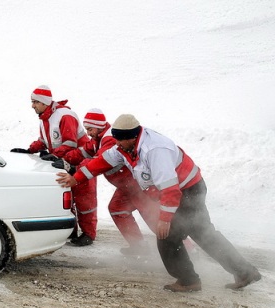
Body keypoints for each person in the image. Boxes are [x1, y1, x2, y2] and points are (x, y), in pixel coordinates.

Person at [57, 114, 262, 292]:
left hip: (186, 190)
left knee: (167, 236)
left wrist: (165, 219)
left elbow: (171, 190)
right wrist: (77, 178)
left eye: (120, 142)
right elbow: (102, 161)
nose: (117, 146)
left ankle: (188, 281)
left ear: (131, 137)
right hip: (185, 188)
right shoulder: (125, 145)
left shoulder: (154, 150)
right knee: (204, 234)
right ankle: (244, 272)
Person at [11, 85, 97, 246]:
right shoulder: (45, 118)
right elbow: (44, 141)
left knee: (85, 200)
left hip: (81, 161)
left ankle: (89, 234)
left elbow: (70, 143)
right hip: (62, 162)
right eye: (32, 101)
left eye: (35, 102)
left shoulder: (65, 115)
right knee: (66, 197)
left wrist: (55, 154)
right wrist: (30, 149)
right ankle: (71, 230)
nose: (32, 105)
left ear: (45, 102)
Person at [78, 109, 166, 256]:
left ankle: (186, 249)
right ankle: (139, 247)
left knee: (154, 217)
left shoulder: (109, 139)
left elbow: (99, 161)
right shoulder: (97, 140)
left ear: (99, 126)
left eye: (90, 129)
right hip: (127, 187)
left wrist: (75, 167)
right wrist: (64, 159)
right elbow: (83, 152)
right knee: (117, 208)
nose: (88, 133)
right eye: (86, 129)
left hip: (138, 185)